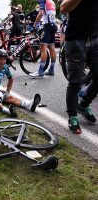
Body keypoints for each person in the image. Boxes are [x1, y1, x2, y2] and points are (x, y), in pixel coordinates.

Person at [61, 0, 98, 134]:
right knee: (75, 82)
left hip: (94, 39)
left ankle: (83, 104)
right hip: (76, 39)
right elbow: (63, 8)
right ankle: (72, 116)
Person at [0, 49, 41, 113]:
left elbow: (11, 78)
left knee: (10, 97)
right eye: (0, 59)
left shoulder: (5, 67)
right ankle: (7, 111)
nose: (2, 61)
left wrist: (8, 91)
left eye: (4, 59)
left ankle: (28, 105)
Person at [30, 0, 57, 77]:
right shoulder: (51, 1)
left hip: (47, 26)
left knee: (43, 48)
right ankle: (51, 70)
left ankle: (40, 71)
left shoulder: (42, 0)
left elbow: (40, 13)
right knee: (52, 48)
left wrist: (34, 26)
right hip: (53, 25)